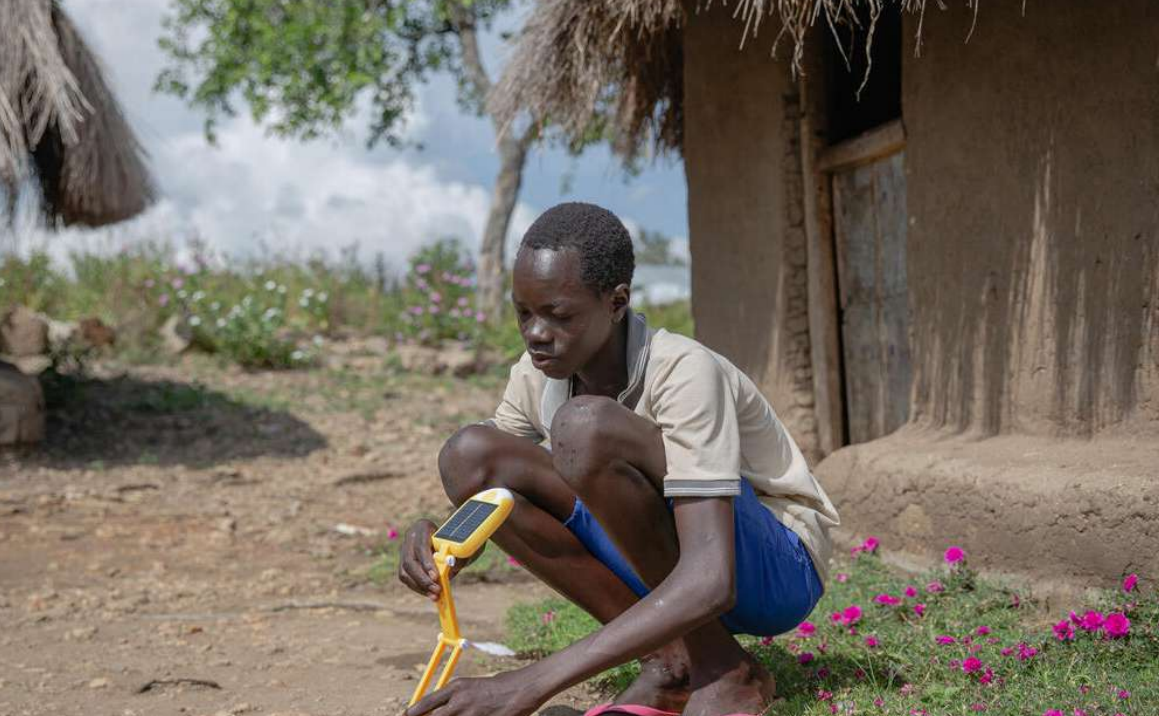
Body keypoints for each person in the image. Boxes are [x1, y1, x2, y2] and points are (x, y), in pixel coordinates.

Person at [399, 202, 840, 716]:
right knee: (470, 456)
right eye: (524, 312)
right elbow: (496, 489)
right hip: (679, 562)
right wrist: (443, 540)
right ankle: (669, 662)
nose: (536, 333)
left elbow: (711, 577)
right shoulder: (535, 372)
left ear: (616, 302)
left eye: (559, 314)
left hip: (771, 567)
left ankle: (724, 671)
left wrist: (533, 682)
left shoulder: (683, 370)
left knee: (585, 429)